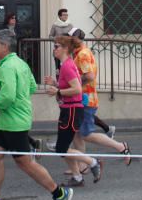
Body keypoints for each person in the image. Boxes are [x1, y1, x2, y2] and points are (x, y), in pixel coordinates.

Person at [0, 30, 74, 200]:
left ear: (5, 47)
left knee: (25, 163)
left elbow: (7, 97)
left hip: (13, 122)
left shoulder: (7, 67)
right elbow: (32, 87)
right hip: (9, 120)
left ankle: (59, 193)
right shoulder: (20, 63)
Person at [69, 29, 132, 166]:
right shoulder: (80, 53)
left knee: (86, 134)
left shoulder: (82, 54)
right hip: (82, 98)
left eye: (69, 38)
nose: (67, 41)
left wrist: (74, 83)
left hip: (85, 99)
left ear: (76, 38)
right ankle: (82, 166)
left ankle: (120, 146)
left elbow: (90, 76)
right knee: (77, 134)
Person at [43, 35, 100, 187]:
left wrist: (57, 92)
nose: (54, 49)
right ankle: (77, 177)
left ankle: (92, 162)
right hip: (70, 109)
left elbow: (77, 89)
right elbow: (70, 85)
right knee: (64, 146)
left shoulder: (67, 66)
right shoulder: (67, 64)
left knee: (62, 148)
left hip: (72, 110)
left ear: (66, 49)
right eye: (54, 47)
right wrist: (55, 84)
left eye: (56, 47)